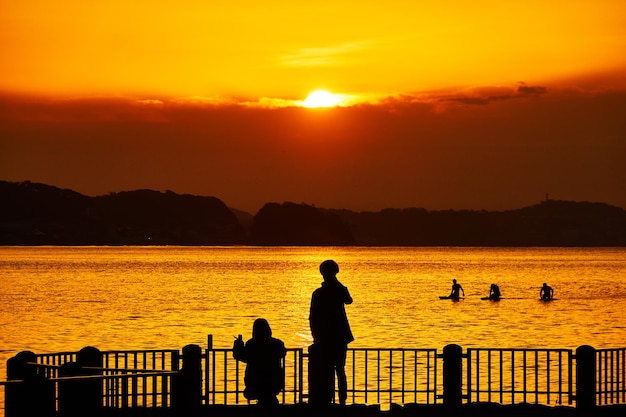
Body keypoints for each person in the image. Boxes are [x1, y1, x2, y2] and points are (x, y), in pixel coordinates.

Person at [309, 260, 354, 406]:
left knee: (327, 370)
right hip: (338, 336)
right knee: (340, 370)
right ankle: (342, 401)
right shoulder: (337, 290)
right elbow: (348, 299)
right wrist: (337, 282)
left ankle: (328, 400)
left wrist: (315, 336)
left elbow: (313, 317)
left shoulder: (319, 293)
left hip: (324, 337)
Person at [232, 318, 287, 406]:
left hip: (255, 382)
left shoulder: (252, 344)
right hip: (274, 381)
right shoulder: (277, 344)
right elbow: (282, 352)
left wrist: (238, 346)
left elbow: (241, 356)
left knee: (253, 391)